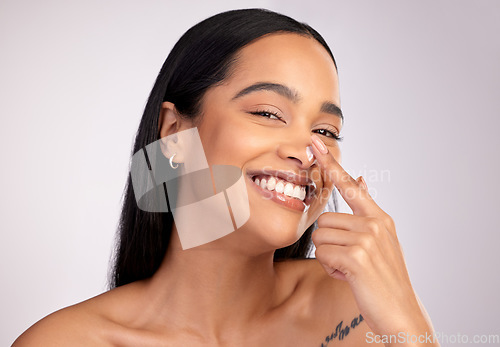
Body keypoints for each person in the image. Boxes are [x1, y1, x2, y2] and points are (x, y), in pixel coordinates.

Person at [14, 8, 437, 346]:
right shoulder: (64, 341)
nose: (304, 150)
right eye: (268, 113)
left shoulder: (355, 308)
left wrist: (410, 328)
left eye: (325, 131)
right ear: (174, 133)